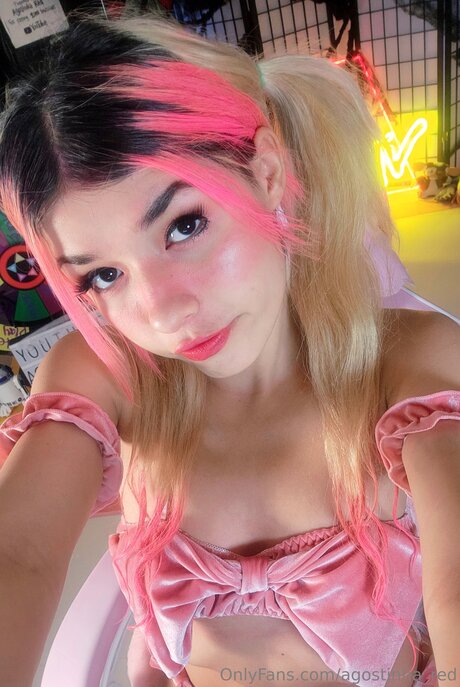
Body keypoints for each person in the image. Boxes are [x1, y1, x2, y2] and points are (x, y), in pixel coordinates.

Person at [0, 13, 459, 687]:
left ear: (267, 173)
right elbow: (19, 552)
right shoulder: (105, 374)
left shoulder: (403, 364)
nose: (164, 311)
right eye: (103, 275)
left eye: (185, 225)